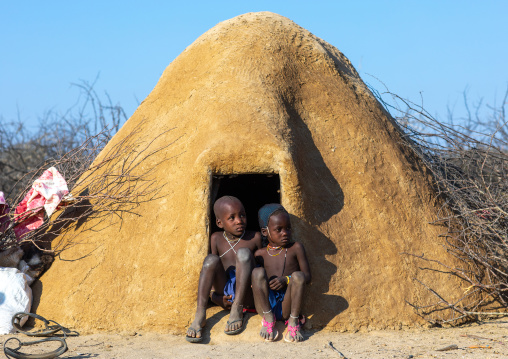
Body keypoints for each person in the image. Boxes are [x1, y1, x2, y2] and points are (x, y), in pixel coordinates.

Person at [186, 196, 262, 343]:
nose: (239, 220)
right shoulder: (216, 238)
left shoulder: (255, 237)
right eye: (231, 218)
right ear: (219, 223)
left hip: (246, 293)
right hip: (225, 292)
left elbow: (262, 269)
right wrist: (214, 297)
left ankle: (237, 308)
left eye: (242, 215)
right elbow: (213, 273)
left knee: (244, 253)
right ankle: (200, 314)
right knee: (210, 260)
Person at [251, 204, 311, 342]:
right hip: (267, 305)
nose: (285, 233)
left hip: (287, 304)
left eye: (288, 228)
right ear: (265, 232)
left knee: (299, 275)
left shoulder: (295, 248)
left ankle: (293, 322)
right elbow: (256, 282)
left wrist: (287, 280)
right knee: (257, 272)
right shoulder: (260, 254)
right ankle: (268, 319)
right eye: (279, 229)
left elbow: (307, 277)